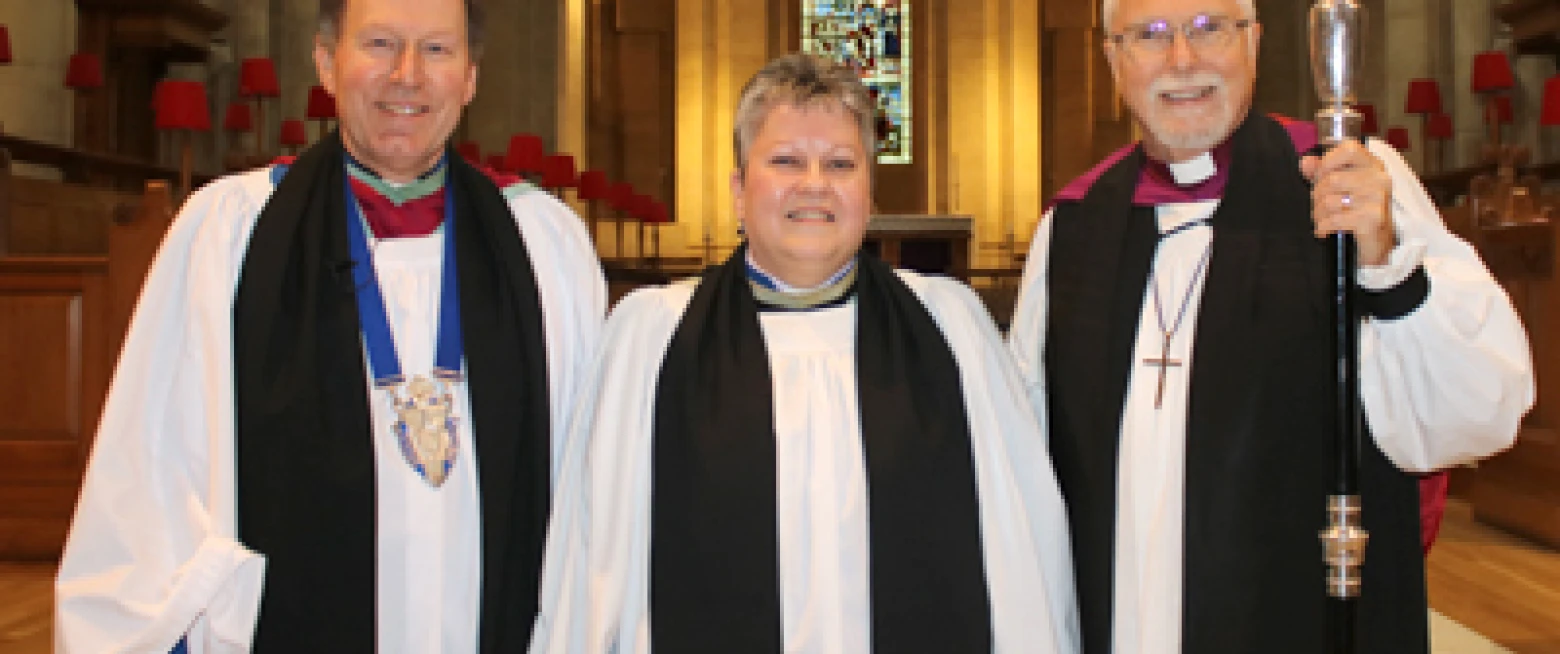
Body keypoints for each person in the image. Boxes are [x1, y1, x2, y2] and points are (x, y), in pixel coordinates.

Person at [54, 0, 605, 651]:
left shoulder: (544, 246)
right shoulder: (231, 232)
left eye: (436, 50)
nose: (407, 75)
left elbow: (592, 497)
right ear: (325, 62)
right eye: (379, 44)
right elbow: (153, 466)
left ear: (471, 76)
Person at [1006, 0, 1534, 652]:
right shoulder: (1073, 226)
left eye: (1209, 28)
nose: (1182, 59)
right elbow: (1025, 460)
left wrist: (1389, 267)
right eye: (1150, 35)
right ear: (1114, 59)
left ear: (1253, 43)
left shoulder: (1351, 180)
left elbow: (1477, 414)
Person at [529, 53, 1078, 654]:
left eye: (840, 164)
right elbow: (592, 558)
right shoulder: (652, 338)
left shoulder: (949, 328)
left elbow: (1021, 549)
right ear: (739, 190)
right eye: (786, 161)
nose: (813, 183)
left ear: (869, 194)